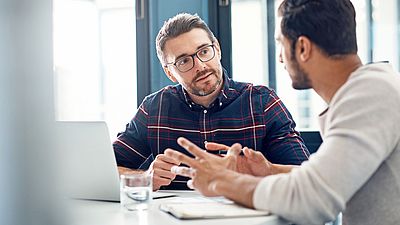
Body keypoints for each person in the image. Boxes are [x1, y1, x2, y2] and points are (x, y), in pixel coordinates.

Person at [165, 1, 400, 224]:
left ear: (302, 48)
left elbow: (312, 200)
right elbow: (329, 178)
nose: (279, 57)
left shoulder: (370, 96)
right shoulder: (370, 91)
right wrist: (269, 170)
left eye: (280, 43)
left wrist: (223, 182)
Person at [113, 13, 309, 190]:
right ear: (169, 72)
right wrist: (145, 178)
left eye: (204, 51)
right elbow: (105, 171)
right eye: (183, 61)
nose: (200, 65)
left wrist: (265, 170)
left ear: (217, 49)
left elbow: (305, 176)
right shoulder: (153, 109)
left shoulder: (263, 102)